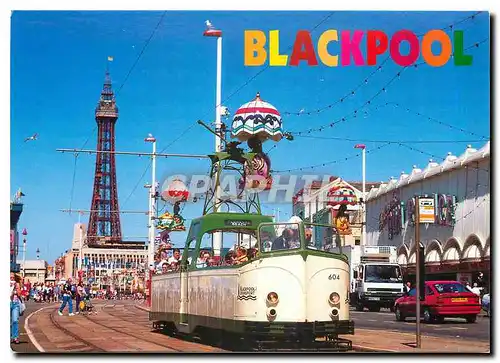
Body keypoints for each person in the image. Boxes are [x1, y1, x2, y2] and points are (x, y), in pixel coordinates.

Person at [10, 273, 22, 344]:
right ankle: (10, 337)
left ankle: (15, 337)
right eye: (10, 277)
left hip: (15, 304)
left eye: (13, 277)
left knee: (15, 320)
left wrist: (16, 288)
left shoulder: (17, 284)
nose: (12, 278)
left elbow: (20, 294)